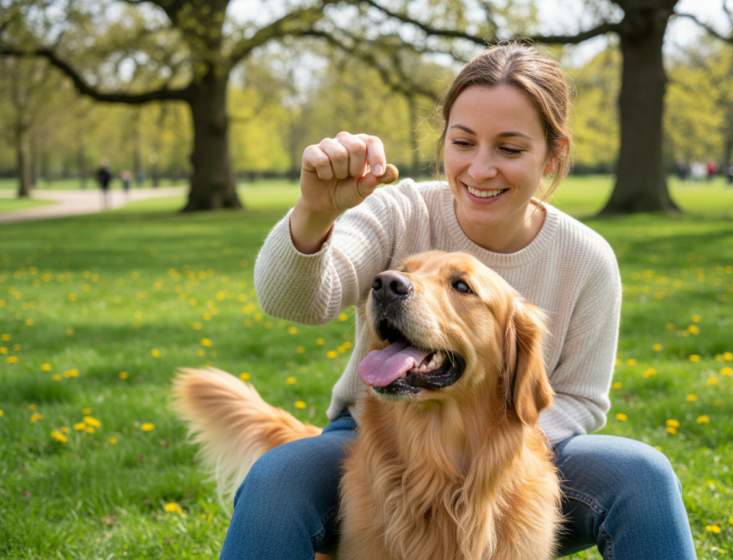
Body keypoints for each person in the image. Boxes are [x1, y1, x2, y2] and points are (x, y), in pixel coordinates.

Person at [224, 43, 697, 560]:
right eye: (463, 141)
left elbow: (581, 398)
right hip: (377, 433)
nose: (480, 168)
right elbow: (293, 301)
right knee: (276, 479)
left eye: (510, 149)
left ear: (553, 155)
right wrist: (314, 213)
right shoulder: (398, 210)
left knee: (643, 475)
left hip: (517, 439)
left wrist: (493, 451)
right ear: (443, 141)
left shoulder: (586, 259)